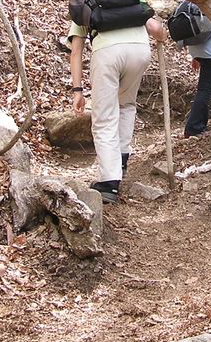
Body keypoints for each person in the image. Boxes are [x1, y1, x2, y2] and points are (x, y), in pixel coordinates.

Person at [68, 12, 166, 203]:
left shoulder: (87, 5)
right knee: (126, 105)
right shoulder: (132, 2)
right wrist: (162, 36)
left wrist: (77, 90)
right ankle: (120, 162)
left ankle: (109, 184)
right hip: (140, 52)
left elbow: (75, 52)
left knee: (104, 118)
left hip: (107, 53)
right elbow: (156, 29)